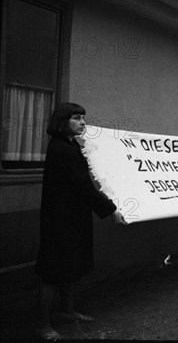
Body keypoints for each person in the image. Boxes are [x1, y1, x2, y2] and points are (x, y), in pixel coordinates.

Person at [35, 103, 127, 340]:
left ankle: (67, 310)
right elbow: (84, 186)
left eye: (83, 118)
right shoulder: (62, 149)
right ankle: (43, 325)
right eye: (77, 118)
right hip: (60, 220)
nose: (83, 123)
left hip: (72, 216)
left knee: (69, 266)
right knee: (53, 272)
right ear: (62, 121)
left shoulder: (70, 145)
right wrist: (111, 210)